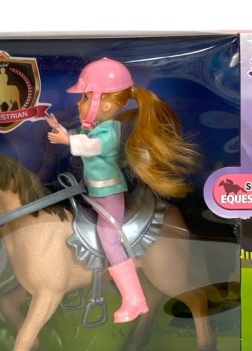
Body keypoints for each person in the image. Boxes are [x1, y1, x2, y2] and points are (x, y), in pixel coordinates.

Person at [46, 58, 198, 323]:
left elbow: (91, 147)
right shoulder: (96, 128)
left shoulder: (109, 132)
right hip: (92, 193)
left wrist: (67, 140)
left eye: (84, 97)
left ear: (103, 104)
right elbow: (84, 138)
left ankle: (134, 299)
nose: (78, 103)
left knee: (109, 239)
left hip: (108, 195)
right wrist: (61, 130)